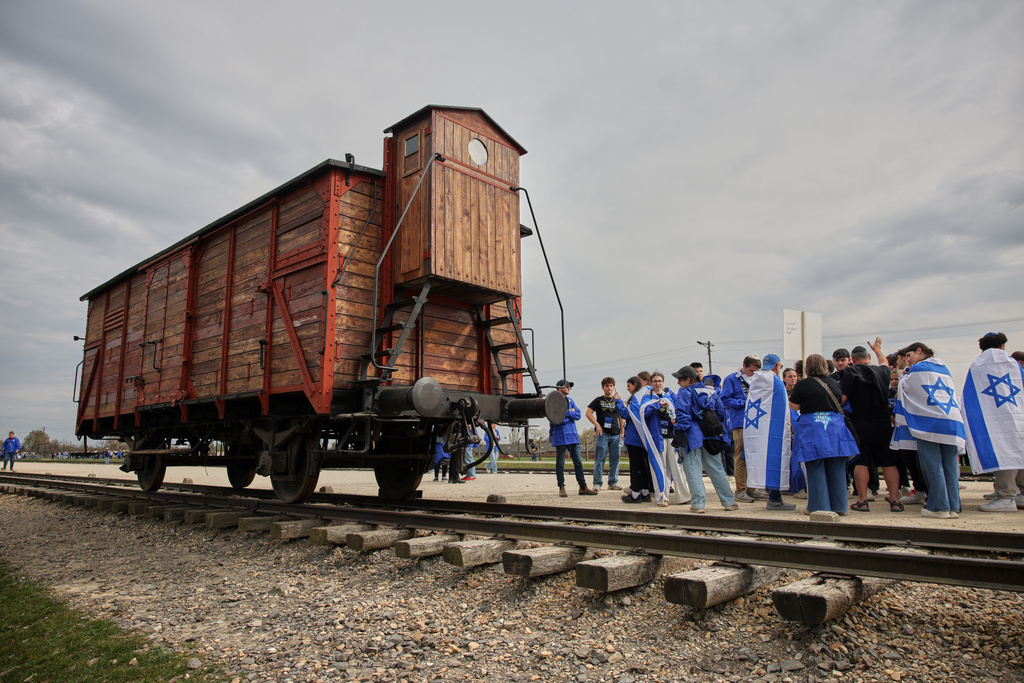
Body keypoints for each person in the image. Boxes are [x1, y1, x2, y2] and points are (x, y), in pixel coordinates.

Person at [896, 342, 966, 519]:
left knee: (932, 465)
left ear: (919, 351)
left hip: (930, 423)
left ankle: (938, 506)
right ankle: (953, 506)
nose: (907, 361)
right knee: (949, 466)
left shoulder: (919, 369)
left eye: (908, 356)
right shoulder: (944, 368)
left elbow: (905, 388)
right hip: (951, 420)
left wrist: (903, 374)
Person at [789, 354, 859, 515]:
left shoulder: (803, 384)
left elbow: (794, 406)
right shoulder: (834, 382)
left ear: (807, 367)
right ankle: (839, 506)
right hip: (834, 427)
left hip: (812, 428)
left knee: (815, 466)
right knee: (836, 466)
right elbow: (841, 401)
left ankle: (818, 506)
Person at [963, 333, 1024, 511]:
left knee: (1002, 453)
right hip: (1018, 415)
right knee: (1020, 449)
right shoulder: (1014, 364)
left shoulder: (978, 365)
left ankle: (1006, 496)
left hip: (995, 419)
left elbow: (971, 395)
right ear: (1002, 346)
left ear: (981, 347)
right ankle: (1020, 493)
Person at [840, 339, 902, 512]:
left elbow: (843, 399)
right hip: (883, 422)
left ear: (852, 359)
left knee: (862, 462)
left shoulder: (849, 372)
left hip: (860, 423)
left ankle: (862, 500)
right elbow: (884, 362)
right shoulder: (882, 371)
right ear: (868, 357)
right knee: (889, 462)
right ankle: (895, 500)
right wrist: (877, 349)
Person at [672, 366, 738, 513]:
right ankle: (729, 502)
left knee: (693, 471)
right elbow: (720, 413)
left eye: (680, 379)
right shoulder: (712, 391)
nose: (678, 383)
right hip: (712, 435)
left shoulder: (685, 392)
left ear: (688, 380)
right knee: (717, 469)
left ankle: (698, 505)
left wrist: (678, 430)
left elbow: (683, 415)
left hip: (692, 436)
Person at [744, 354, 796, 510]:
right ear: (777, 365)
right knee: (776, 461)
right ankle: (775, 498)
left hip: (757, 429)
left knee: (764, 462)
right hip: (774, 430)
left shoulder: (756, 380)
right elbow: (784, 409)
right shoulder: (777, 382)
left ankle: (774, 496)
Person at [617, 376, 671, 505]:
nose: (627, 388)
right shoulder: (648, 396)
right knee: (645, 465)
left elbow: (627, 414)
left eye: (629, 386)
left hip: (635, 437)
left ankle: (635, 494)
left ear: (635, 385)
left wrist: (618, 402)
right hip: (644, 437)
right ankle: (646, 492)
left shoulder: (637, 398)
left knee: (636, 466)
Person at [721, 355, 764, 502]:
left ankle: (751, 488)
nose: (753, 373)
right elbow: (725, 399)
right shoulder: (732, 379)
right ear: (744, 366)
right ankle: (740, 489)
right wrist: (745, 402)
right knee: (741, 456)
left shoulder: (756, 379)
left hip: (757, 422)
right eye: (751, 370)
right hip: (740, 422)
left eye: (756, 371)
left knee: (754, 456)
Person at [550, 380, 598, 497]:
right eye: (567, 386)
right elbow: (555, 418)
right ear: (559, 388)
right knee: (560, 463)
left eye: (569, 386)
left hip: (572, 435)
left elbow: (578, 415)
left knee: (578, 462)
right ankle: (561, 487)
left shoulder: (571, 401)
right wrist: (569, 413)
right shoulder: (553, 402)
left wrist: (565, 413)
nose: (569, 388)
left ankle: (582, 486)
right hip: (560, 436)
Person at [650, 372, 687, 504]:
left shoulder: (669, 397)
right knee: (661, 468)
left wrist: (674, 420)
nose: (657, 383)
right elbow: (645, 411)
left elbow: (676, 411)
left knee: (676, 467)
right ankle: (662, 497)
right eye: (655, 381)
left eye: (660, 381)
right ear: (651, 383)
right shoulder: (648, 398)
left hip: (671, 435)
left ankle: (683, 496)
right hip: (657, 436)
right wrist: (658, 405)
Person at [586, 377, 624, 491]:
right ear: (603, 388)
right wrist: (597, 425)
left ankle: (613, 482)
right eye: (607, 386)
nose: (609, 388)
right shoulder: (598, 400)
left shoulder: (617, 401)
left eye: (611, 386)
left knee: (615, 458)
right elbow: (588, 413)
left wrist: (622, 431)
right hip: (603, 434)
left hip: (616, 434)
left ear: (614, 387)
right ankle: (597, 483)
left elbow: (621, 416)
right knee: (600, 458)